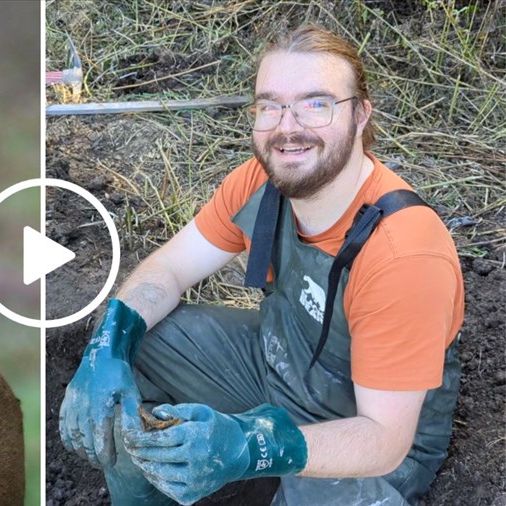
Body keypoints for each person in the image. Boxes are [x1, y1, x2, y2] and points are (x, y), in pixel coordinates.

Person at [59, 25, 463, 506]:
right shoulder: (260, 184)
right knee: (139, 341)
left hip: (366, 439)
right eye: (270, 106)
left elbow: (383, 439)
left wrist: (252, 445)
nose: (287, 127)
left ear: (360, 115)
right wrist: (110, 343)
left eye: (316, 104)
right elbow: (167, 270)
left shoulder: (403, 255)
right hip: (279, 370)